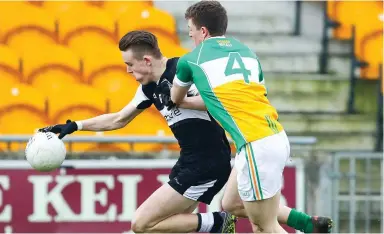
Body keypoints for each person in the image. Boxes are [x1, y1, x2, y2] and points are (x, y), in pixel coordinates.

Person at [39, 30, 235, 233]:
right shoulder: (148, 88)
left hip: (207, 163)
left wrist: (183, 99)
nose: (127, 71)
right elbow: (118, 119)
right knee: (173, 226)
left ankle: (219, 222)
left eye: (130, 64)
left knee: (141, 223)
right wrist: (76, 126)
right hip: (189, 161)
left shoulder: (182, 72)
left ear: (147, 60)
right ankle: (214, 224)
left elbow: (219, 101)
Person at [165, 1, 333, 233]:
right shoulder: (247, 52)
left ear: (203, 31)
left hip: (256, 144)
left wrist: (178, 99)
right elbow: (235, 98)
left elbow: (175, 96)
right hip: (272, 136)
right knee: (231, 204)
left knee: (263, 226)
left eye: (191, 30)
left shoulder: (191, 59)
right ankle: (307, 223)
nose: (190, 35)